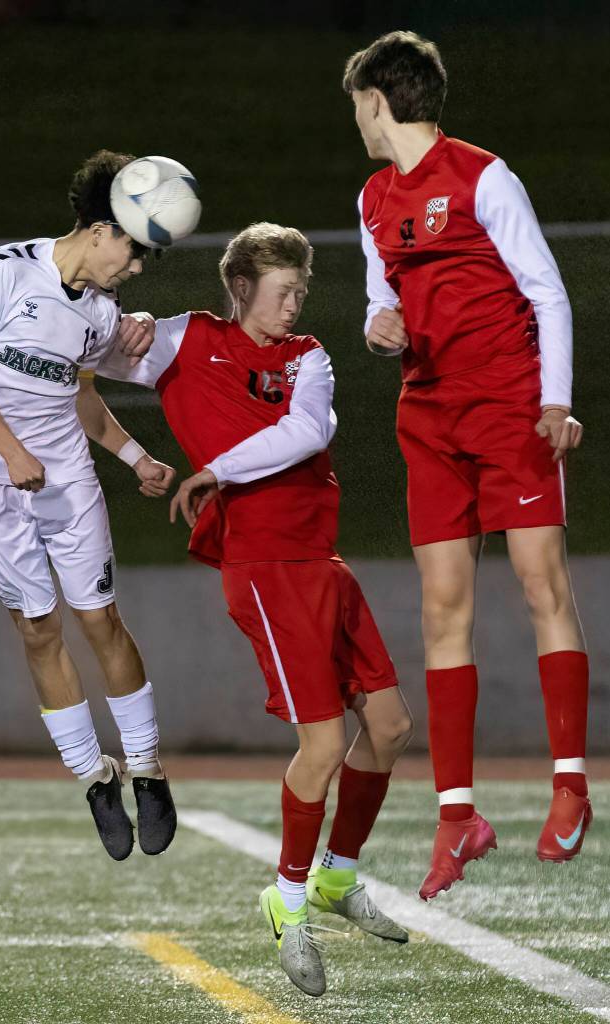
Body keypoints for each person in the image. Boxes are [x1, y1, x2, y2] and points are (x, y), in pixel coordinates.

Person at [96, 222, 412, 997]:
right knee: (323, 741)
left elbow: (307, 432)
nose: (294, 305)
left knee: (393, 725)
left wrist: (214, 469)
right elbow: (78, 350)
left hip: (320, 559)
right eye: (281, 292)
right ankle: (290, 897)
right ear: (240, 288)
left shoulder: (309, 356)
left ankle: (338, 877)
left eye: (301, 291)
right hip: (264, 565)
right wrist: (114, 324)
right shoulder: (183, 341)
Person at [344, 31, 590, 900]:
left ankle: (569, 783)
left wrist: (553, 402)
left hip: (508, 406)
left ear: (378, 98)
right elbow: (384, 301)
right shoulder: (372, 197)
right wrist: (379, 328)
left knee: (538, 583)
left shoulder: (484, 175)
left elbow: (546, 289)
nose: (357, 121)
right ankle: (458, 816)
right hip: (428, 417)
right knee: (442, 605)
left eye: (357, 105)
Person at [0, 150, 178, 862]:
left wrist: (137, 458)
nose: (134, 270)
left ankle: (146, 769)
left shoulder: (100, 313)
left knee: (100, 618)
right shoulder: (2, 271)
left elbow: (85, 398)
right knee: (39, 628)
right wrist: (10, 452)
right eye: (133, 251)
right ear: (102, 229)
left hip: (63, 477)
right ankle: (94, 778)